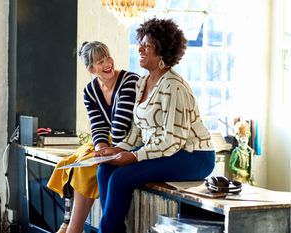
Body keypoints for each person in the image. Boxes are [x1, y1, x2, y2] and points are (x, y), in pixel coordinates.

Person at [93, 18, 216, 233]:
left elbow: (172, 141)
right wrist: (118, 149)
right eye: (140, 42)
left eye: (146, 45)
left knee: (121, 177)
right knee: (105, 169)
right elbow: (138, 131)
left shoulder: (174, 87)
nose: (139, 47)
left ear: (161, 52)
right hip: (168, 151)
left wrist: (134, 156)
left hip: (193, 156)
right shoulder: (143, 83)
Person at [46, 41, 140, 233]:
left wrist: (104, 151)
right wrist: (100, 148)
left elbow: (121, 127)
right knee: (70, 163)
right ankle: (68, 222)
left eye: (108, 57)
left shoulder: (130, 81)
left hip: (131, 142)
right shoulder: (90, 90)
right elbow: (97, 127)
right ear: (90, 68)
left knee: (84, 169)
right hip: (109, 143)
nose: (107, 64)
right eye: (100, 61)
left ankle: (73, 227)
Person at [229, 120, 255, 184]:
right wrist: (239, 171)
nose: (245, 140)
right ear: (239, 139)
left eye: (246, 138)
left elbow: (249, 167)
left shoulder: (249, 152)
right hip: (238, 178)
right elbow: (231, 166)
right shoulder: (236, 152)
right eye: (242, 138)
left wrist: (251, 178)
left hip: (246, 178)